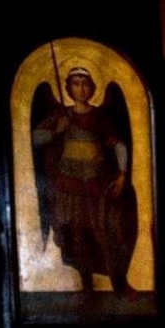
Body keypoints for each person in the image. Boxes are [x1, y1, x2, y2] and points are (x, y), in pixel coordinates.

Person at [32, 66, 138, 300]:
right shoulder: (61, 116)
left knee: (107, 232)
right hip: (69, 184)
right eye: (76, 83)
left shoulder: (99, 117)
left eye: (85, 83)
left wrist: (123, 174)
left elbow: (119, 145)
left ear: (92, 87)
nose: (81, 88)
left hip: (97, 183)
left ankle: (119, 284)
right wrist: (57, 131)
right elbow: (35, 137)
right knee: (77, 235)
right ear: (69, 88)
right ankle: (87, 287)